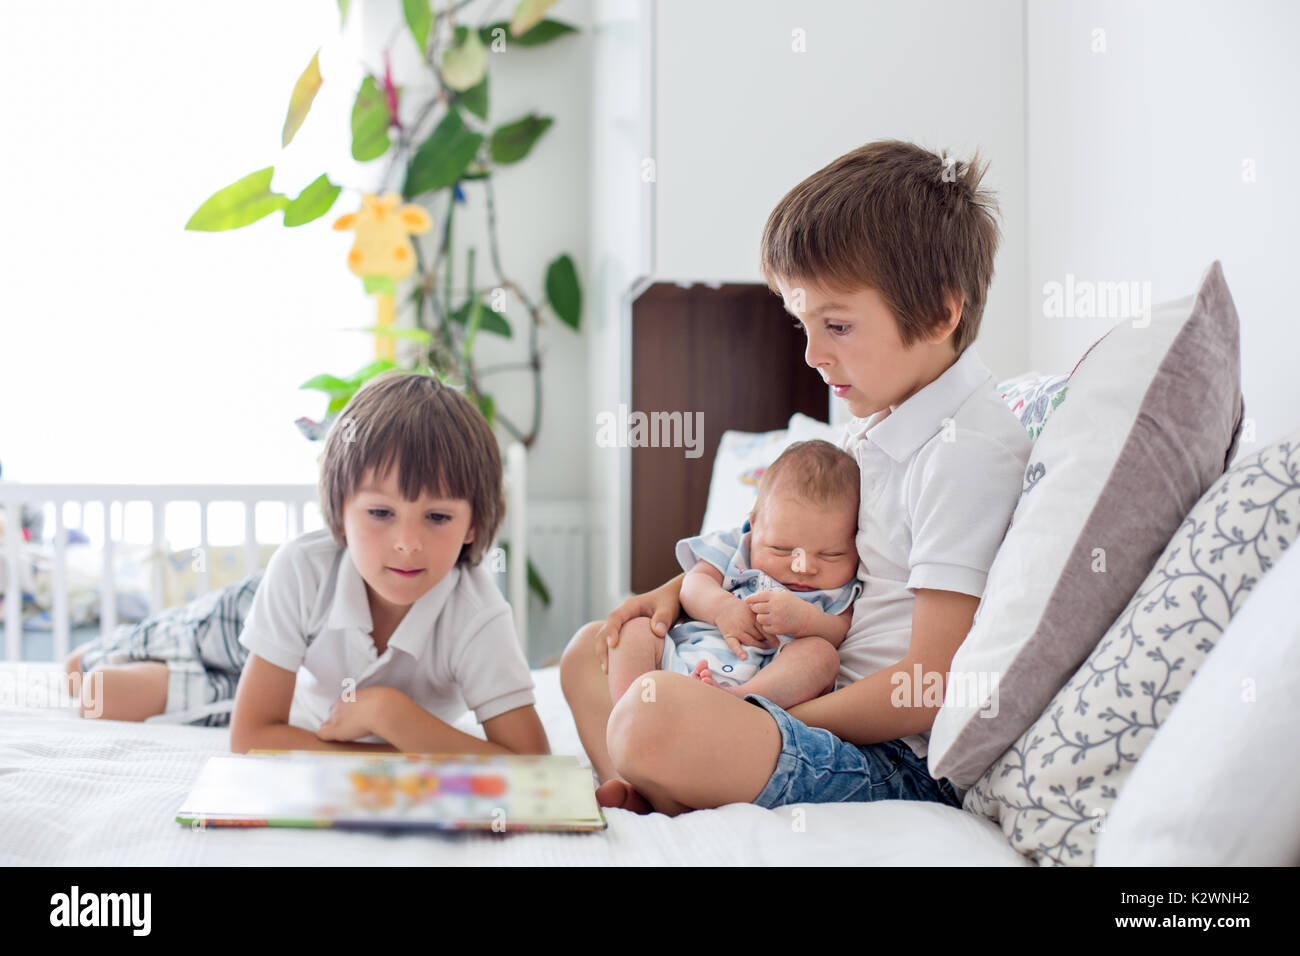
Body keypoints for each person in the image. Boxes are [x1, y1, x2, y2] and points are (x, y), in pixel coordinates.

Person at [560, 139, 1032, 814]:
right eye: (803, 323)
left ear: (938, 313)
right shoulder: (875, 426)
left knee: (651, 716)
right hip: (792, 690)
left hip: (884, 754)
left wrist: (767, 714)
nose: (812, 353)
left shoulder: (966, 451)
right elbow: (760, 544)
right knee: (587, 652)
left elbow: (928, 684)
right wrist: (672, 595)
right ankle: (643, 786)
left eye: (836, 324)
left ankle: (659, 770)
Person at [65, 371, 548, 757]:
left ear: (471, 525)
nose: (406, 544)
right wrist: (391, 734)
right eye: (380, 513)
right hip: (249, 624)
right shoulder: (301, 567)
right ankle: (108, 656)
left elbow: (530, 762)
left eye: (437, 517)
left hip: (292, 683)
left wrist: (389, 716)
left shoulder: (477, 613)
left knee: (104, 697)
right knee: (80, 677)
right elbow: (252, 736)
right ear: (340, 510)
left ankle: (234, 685)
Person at [607, 440, 861, 713]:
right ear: (754, 525)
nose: (803, 567)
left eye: (830, 555)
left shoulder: (837, 588)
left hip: (759, 689)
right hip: (677, 665)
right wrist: (721, 608)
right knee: (634, 631)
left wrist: (805, 621)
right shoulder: (734, 546)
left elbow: (840, 630)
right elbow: (692, 585)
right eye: (781, 550)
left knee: (822, 657)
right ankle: (632, 714)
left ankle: (734, 701)